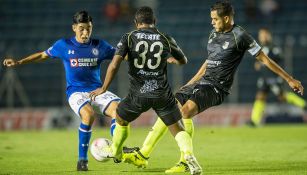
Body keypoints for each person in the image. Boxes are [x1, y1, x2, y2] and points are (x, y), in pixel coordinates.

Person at [121, 1, 304, 174]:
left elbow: (264, 59)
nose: (212, 22)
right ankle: (145, 153)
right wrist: (191, 82)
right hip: (203, 82)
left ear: (226, 18)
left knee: (185, 111)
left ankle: (179, 160)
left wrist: (289, 79)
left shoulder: (240, 35)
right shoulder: (213, 33)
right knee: (170, 105)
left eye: (215, 19)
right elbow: (209, 62)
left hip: (217, 87)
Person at [89, 6, 202, 175]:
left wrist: (104, 87)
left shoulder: (128, 37)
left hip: (138, 95)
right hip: (162, 94)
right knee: (178, 129)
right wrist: (171, 59)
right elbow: (183, 60)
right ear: (154, 22)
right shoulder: (165, 38)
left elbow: (114, 64)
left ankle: (116, 151)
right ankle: (188, 155)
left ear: (136, 23)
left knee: (120, 117)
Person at [2, 11, 120, 171]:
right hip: (76, 92)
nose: (85, 32)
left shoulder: (100, 46)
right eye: (82, 28)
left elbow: (121, 56)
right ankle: (82, 160)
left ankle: (117, 149)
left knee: (119, 111)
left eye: (89, 28)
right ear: (74, 28)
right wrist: (18, 62)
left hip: (97, 90)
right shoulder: (64, 45)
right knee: (89, 115)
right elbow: (42, 55)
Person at [250, 28, 306, 126]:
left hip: (273, 78)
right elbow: (260, 61)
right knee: (260, 97)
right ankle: (254, 121)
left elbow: (278, 59)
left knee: (282, 96)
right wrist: (259, 64)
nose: (262, 37)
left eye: (264, 35)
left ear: (268, 35)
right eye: (261, 35)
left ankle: (303, 105)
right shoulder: (260, 48)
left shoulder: (273, 47)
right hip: (264, 78)